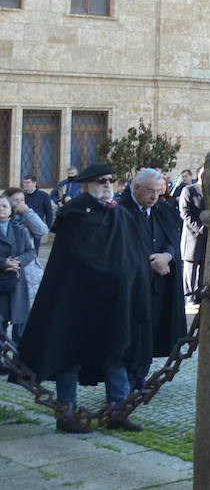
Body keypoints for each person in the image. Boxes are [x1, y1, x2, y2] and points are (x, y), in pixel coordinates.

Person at [18, 164, 151, 433]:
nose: (107, 185)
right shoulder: (74, 214)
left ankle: (118, 409)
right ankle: (66, 413)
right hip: (76, 300)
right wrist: (112, 273)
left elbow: (133, 254)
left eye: (110, 180)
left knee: (116, 352)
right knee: (70, 353)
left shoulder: (120, 215)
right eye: (101, 181)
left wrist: (131, 278)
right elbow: (76, 257)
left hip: (113, 300)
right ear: (86, 185)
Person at [115, 168, 187, 391]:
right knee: (133, 331)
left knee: (153, 329)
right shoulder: (120, 211)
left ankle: (140, 375)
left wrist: (167, 255)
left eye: (159, 191)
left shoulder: (162, 209)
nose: (155, 196)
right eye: (150, 191)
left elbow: (172, 238)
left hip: (159, 283)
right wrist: (147, 260)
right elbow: (118, 245)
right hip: (132, 284)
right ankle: (126, 378)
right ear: (135, 189)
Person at [3, 187, 48, 338]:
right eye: (16, 200)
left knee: (23, 320)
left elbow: (42, 231)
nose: (20, 203)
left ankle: (19, 355)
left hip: (27, 274)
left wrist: (27, 212)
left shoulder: (24, 220)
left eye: (23, 200)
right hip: (5, 277)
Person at [0, 193, 37, 342]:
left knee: (20, 326)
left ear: (11, 210)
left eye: (4, 206)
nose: (1, 209)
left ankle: (18, 361)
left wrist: (18, 261)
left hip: (17, 283)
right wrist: (3, 263)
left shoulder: (20, 231)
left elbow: (31, 251)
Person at [178, 170, 207, 300]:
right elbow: (184, 212)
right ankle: (190, 296)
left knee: (203, 266)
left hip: (207, 235)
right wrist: (198, 227)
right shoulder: (189, 190)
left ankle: (200, 294)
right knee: (191, 267)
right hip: (193, 236)